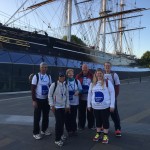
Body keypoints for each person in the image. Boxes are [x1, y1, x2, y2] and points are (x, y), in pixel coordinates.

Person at [87, 68, 115, 144]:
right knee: (98, 121)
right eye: (97, 73)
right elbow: (89, 94)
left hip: (105, 107)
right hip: (95, 107)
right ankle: (98, 134)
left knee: (105, 121)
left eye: (100, 73)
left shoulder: (107, 82)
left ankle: (105, 135)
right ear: (95, 74)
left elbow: (112, 93)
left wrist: (112, 105)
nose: (99, 74)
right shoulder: (92, 83)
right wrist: (89, 104)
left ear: (103, 74)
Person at [31, 62, 52, 140]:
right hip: (38, 100)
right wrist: (34, 100)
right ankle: (36, 133)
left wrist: (50, 99)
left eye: (46, 67)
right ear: (40, 68)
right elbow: (33, 89)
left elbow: (50, 87)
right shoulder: (36, 76)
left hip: (46, 100)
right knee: (37, 117)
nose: (44, 69)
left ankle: (44, 129)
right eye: (43, 67)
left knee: (46, 116)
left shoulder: (49, 76)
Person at [48, 72, 70, 147]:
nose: (62, 78)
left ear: (65, 77)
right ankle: (57, 139)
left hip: (63, 107)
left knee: (62, 122)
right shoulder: (54, 84)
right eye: (60, 76)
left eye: (63, 76)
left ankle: (61, 135)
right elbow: (50, 95)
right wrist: (52, 105)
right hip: (56, 107)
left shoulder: (65, 85)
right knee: (59, 123)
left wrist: (67, 106)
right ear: (58, 77)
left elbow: (67, 95)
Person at [104, 62, 121, 137]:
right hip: (104, 97)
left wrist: (115, 96)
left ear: (111, 66)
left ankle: (117, 128)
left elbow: (117, 86)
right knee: (104, 113)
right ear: (104, 66)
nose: (107, 67)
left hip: (112, 97)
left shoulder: (114, 75)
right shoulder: (102, 74)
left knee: (114, 113)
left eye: (108, 66)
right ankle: (104, 127)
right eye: (106, 66)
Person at [76, 64, 95, 130]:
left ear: (88, 69)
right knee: (81, 113)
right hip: (81, 97)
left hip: (90, 98)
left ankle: (91, 125)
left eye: (86, 69)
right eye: (83, 69)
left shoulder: (92, 76)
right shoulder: (78, 76)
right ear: (82, 69)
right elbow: (76, 85)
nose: (85, 70)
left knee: (90, 113)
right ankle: (81, 125)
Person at [65, 69, 82, 136]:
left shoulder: (77, 81)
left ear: (73, 74)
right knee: (67, 117)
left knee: (74, 116)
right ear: (67, 74)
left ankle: (74, 130)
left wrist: (78, 91)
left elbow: (80, 89)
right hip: (67, 103)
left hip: (75, 102)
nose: (70, 74)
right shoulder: (65, 82)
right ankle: (69, 130)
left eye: (71, 73)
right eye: (69, 73)